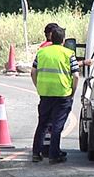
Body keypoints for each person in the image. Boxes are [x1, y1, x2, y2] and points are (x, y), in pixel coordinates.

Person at [31, 26, 78, 164]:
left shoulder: (42, 53)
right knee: (57, 126)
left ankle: (36, 153)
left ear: (51, 38)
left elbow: (33, 72)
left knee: (42, 124)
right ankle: (53, 155)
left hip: (45, 94)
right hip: (63, 94)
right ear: (63, 40)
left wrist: (39, 86)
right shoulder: (69, 54)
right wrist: (72, 92)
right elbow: (75, 76)